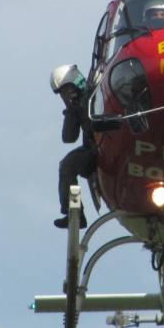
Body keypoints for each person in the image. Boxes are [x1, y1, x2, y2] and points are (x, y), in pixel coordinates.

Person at [51, 64, 120, 229]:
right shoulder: (76, 107)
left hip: (112, 144)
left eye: (66, 90)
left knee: (68, 164)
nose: (65, 95)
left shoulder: (97, 90)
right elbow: (69, 138)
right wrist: (71, 110)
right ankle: (74, 213)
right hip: (94, 151)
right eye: (63, 93)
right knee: (67, 165)